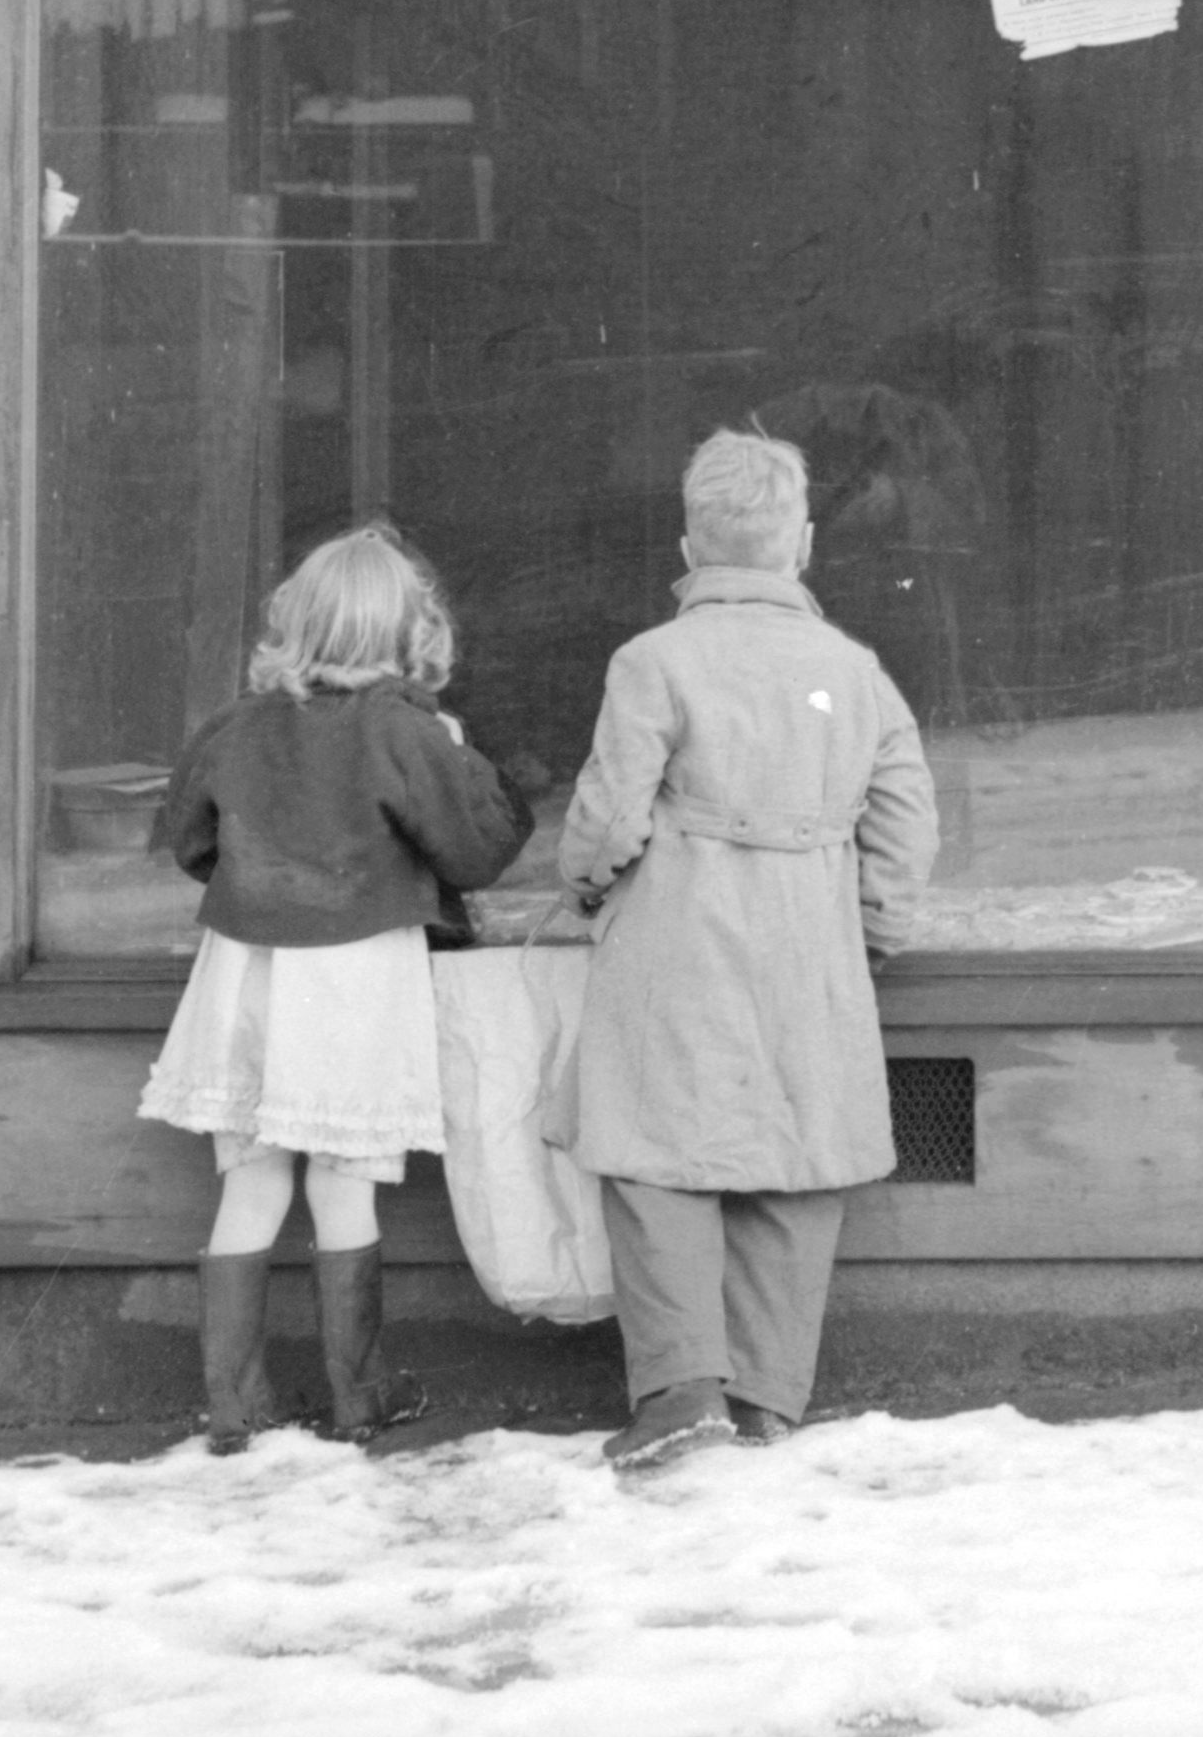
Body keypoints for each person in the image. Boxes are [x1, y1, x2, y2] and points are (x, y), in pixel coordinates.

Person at [557, 427, 940, 1473]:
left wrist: (586, 885)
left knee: (653, 1153)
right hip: (808, 937)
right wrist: (872, 930)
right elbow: (905, 823)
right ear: (803, 544)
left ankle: (682, 1389)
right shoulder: (854, 672)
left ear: (688, 547)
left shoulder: (652, 662)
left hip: (679, 935)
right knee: (797, 1158)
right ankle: (769, 1394)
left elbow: (607, 817)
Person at [142, 522, 531, 1452]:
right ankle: (360, 1399)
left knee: (251, 1182)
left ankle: (234, 1410)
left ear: (297, 625)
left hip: (247, 973)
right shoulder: (405, 732)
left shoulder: (236, 727)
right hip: (356, 981)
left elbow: (190, 841)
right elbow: (478, 849)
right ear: (408, 632)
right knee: (344, 1185)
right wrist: (470, 760)